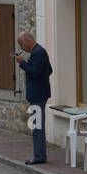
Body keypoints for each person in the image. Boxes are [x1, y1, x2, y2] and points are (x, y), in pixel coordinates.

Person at [15, 30, 52, 164]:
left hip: (38, 95)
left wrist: (22, 62)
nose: (21, 48)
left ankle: (39, 156)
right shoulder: (40, 52)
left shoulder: (37, 53)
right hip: (39, 93)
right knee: (37, 125)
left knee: (37, 126)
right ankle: (39, 154)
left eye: (21, 44)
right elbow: (49, 70)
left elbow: (35, 72)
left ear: (28, 41)